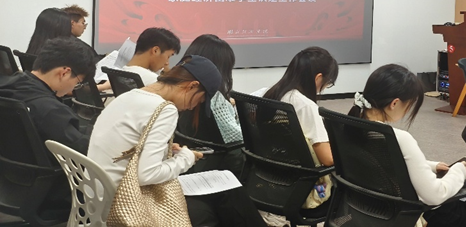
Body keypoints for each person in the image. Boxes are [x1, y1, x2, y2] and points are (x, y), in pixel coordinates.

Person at [348, 64, 466, 227]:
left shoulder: (349, 125)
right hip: (435, 216)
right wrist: (458, 169)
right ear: (395, 103)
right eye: (409, 106)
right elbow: (435, 196)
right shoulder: (399, 138)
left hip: (384, 211)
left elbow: (385, 161)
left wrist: (431, 165)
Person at [88, 55, 267, 227]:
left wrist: (165, 151)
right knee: (227, 196)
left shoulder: (129, 96)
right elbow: (147, 175)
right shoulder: (164, 110)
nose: (193, 106)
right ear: (192, 86)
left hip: (96, 197)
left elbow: (125, 147)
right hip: (125, 205)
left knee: (226, 195)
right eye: (200, 99)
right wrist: (186, 158)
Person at [0, 36, 95, 153]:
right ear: (64, 73)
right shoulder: (52, 110)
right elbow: (84, 149)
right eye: (77, 82)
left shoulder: (7, 85)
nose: (73, 88)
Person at [259, 46, 339, 167]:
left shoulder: (270, 93)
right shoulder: (306, 106)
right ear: (318, 78)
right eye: (328, 82)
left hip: (272, 165)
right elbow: (327, 159)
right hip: (302, 172)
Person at [177, 35, 243, 174]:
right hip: (216, 167)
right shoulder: (215, 98)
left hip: (190, 162)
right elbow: (237, 138)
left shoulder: (181, 90)